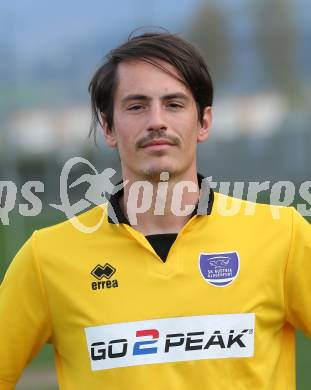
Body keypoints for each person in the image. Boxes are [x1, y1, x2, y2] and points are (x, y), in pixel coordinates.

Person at [0, 31, 311, 390]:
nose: (157, 121)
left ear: (204, 122)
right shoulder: (47, 258)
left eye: (174, 104)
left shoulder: (282, 237)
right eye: (136, 106)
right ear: (108, 127)